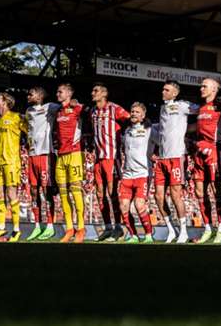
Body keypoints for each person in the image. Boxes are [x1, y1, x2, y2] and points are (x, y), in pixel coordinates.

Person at [155, 80, 198, 243]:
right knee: (158, 196)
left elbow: (201, 111)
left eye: (167, 90)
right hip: (162, 157)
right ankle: (171, 230)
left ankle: (184, 232)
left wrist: (191, 129)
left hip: (176, 155)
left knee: (175, 195)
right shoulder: (162, 108)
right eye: (163, 89)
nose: (163, 92)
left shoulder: (181, 105)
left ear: (175, 93)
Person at [89, 83, 131, 242]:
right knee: (100, 193)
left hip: (111, 157)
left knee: (113, 193)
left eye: (96, 91)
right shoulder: (92, 111)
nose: (93, 93)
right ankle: (107, 227)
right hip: (98, 157)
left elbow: (130, 118)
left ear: (104, 94)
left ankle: (119, 227)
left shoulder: (114, 109)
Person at [192, 78, 221, 243]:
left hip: (213, 151)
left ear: (214, 89)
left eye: (204, 86)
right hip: (199, 151)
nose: (201, 89)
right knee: (199, 191)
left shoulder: (220, 107)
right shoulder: (200, 109)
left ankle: (220, 229)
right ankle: (207, 228)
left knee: (216, 190)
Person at [0, 93, 26, 242]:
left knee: (11, 193)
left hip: (11, 161)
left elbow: (30, 131)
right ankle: (1, 227)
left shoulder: (17, 117)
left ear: (5, 102)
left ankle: (16, 230)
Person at [118, 102, 157, 244]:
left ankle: (148, 235)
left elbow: (161, 141)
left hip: (143, 174)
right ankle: (133, 235)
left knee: (140, 205)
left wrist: (154, 154)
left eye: (137, 112)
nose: (133, 113)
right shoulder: (127, 131)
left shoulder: (149, 130)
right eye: (132, 111)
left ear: (143, 115)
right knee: (123, 206)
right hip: (127, 174)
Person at [24, 87, 59, 241]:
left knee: (46, 190)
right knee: (33, 190)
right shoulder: (28, 111)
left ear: (39, 95)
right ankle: (37, 226)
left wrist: (73, 101)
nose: (28, 95)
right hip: (32, 155)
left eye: (31, 93)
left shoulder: (49, 107)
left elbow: (65, 107)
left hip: (45, 153)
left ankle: (50, 225)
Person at [53, 83, 86, 243]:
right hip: (61, 155)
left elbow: (85, 108)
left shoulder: (77, 109)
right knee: (63, 194)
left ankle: (81, 228)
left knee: (76, 192)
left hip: (74, 154)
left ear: (69, 93)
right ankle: (69, 229)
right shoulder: (57, 111)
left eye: (60, 92)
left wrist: (76, 103)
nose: (57, 94)